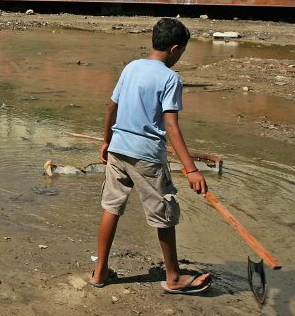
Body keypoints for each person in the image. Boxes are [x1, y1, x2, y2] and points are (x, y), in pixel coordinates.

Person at [91, 17, 212, 295]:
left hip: (118, 149)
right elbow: (170, 125)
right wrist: (191, 169)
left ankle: (100, 272)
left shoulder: (131, 67)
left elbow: (112, 107)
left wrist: (106, 141)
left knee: (111, 207)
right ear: (175, 49)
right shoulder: (170, 78)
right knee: (164, 214)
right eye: (181, 53)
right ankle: (173, 277)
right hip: (146, 157)